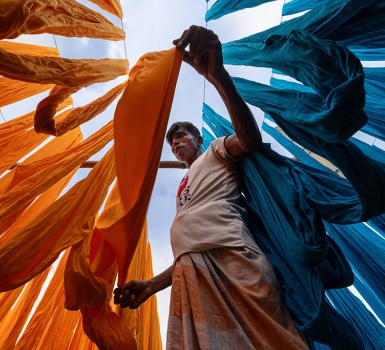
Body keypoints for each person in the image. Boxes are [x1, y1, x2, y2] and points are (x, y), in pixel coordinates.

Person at [114, 26, 309, 349]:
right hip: (190, 276)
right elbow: (190, 247)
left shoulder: (217, 150)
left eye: (182, 136)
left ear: (198, 139)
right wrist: (151, 285)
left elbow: (249, 139)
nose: (176, 142)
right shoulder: (181, 187)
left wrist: (218, 77)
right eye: (172, 140)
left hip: (234, 259)